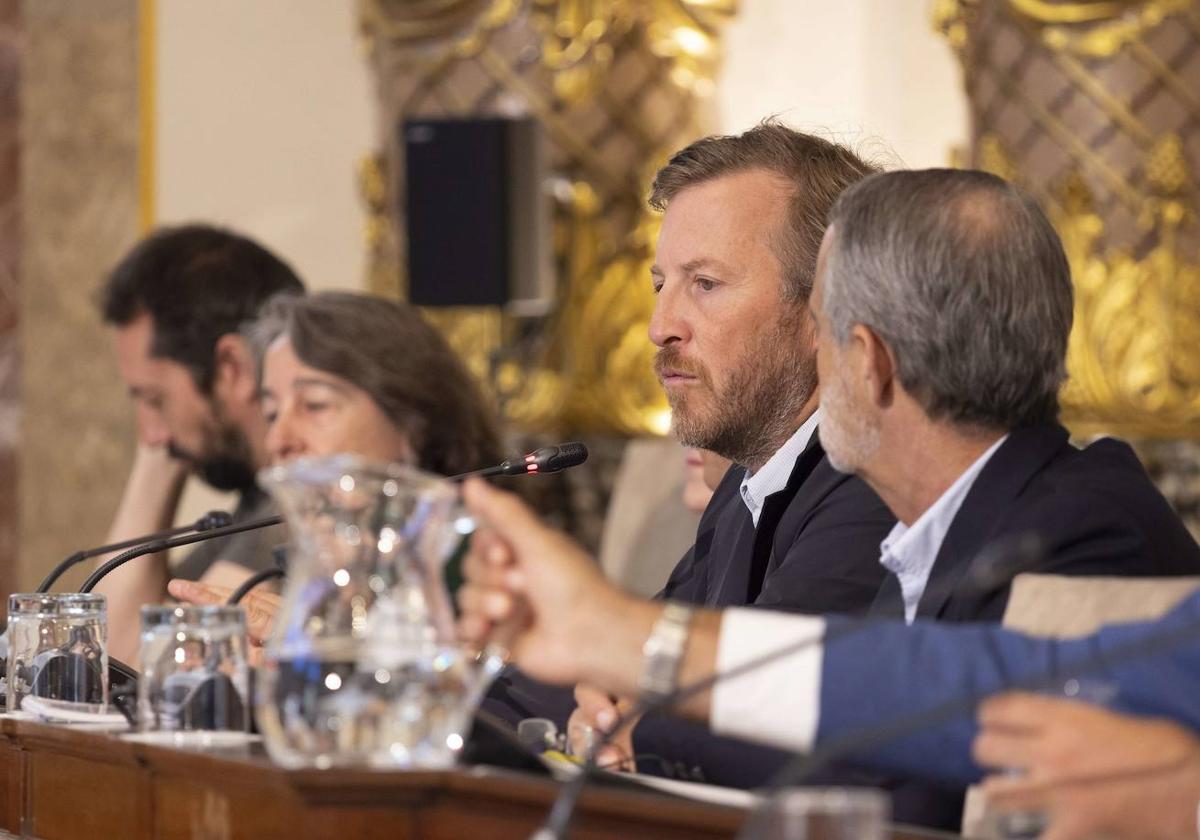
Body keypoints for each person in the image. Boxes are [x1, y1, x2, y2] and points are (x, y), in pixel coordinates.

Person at [459, 167, 1200, 828]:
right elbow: (912, 691)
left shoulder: (1084, 524)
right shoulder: (968, 519)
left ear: (869, 363)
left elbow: (914, 759)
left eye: (820, 326)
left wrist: (630, 649)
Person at [487, 122, 897, 790]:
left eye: (704, 283)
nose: (660, 326)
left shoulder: (874, 486)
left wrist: (622, 707)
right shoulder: (745, 491)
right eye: (660, 283)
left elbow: (765, 708)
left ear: (822, 306)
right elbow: (614, 677)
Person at [169, 290, 504, 624]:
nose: (278, 439)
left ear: (413, 421)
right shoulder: (294, 562)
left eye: (315, 405)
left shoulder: (492, 567)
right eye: (271, 413)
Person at [97, 224, 305, 661]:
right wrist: (162, 452)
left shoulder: (294, 503)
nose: (150, 434)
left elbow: (132, 666)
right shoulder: (253, 501)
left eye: (155, 398)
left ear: (233, 367)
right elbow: (105, 652)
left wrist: (158, 462)